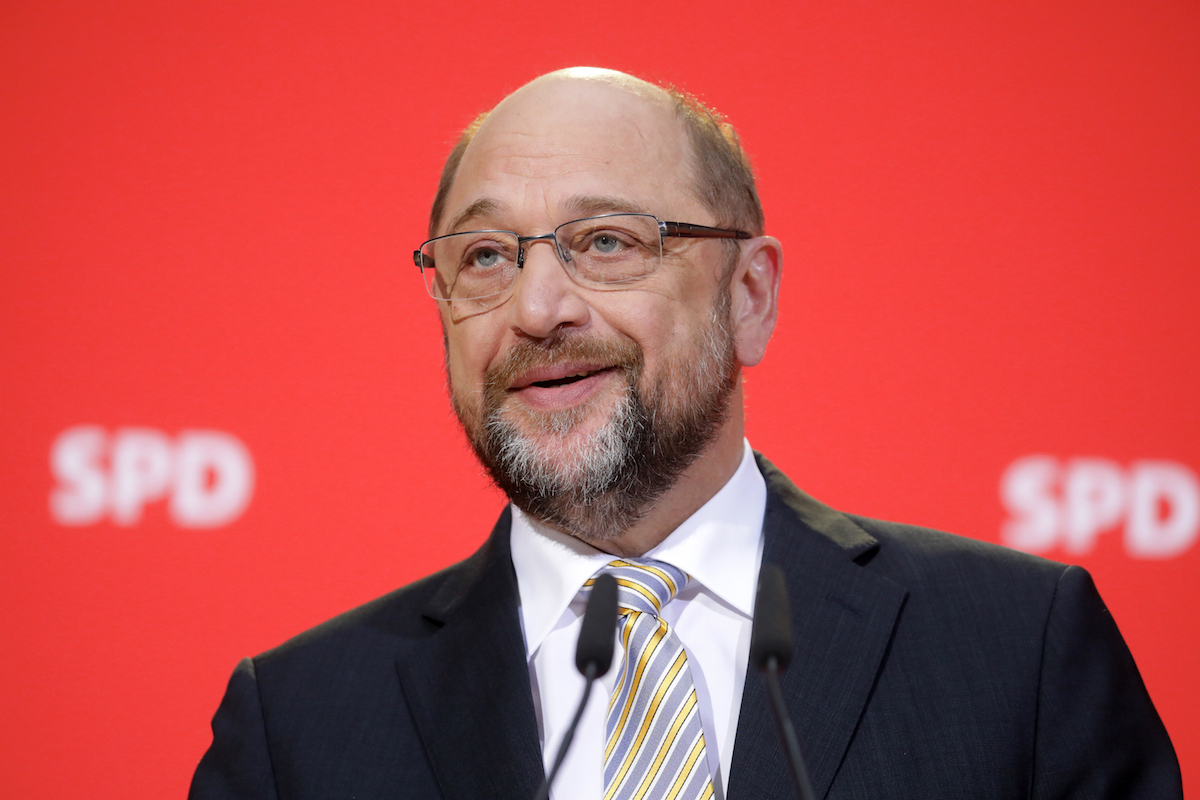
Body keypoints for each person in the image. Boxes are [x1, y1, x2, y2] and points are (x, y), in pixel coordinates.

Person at [190, 68, 1182, 800]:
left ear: (748, 294)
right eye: (485, 256)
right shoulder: (300, 724)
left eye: (606, 241)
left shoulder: (1017, 650)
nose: (537, 306)